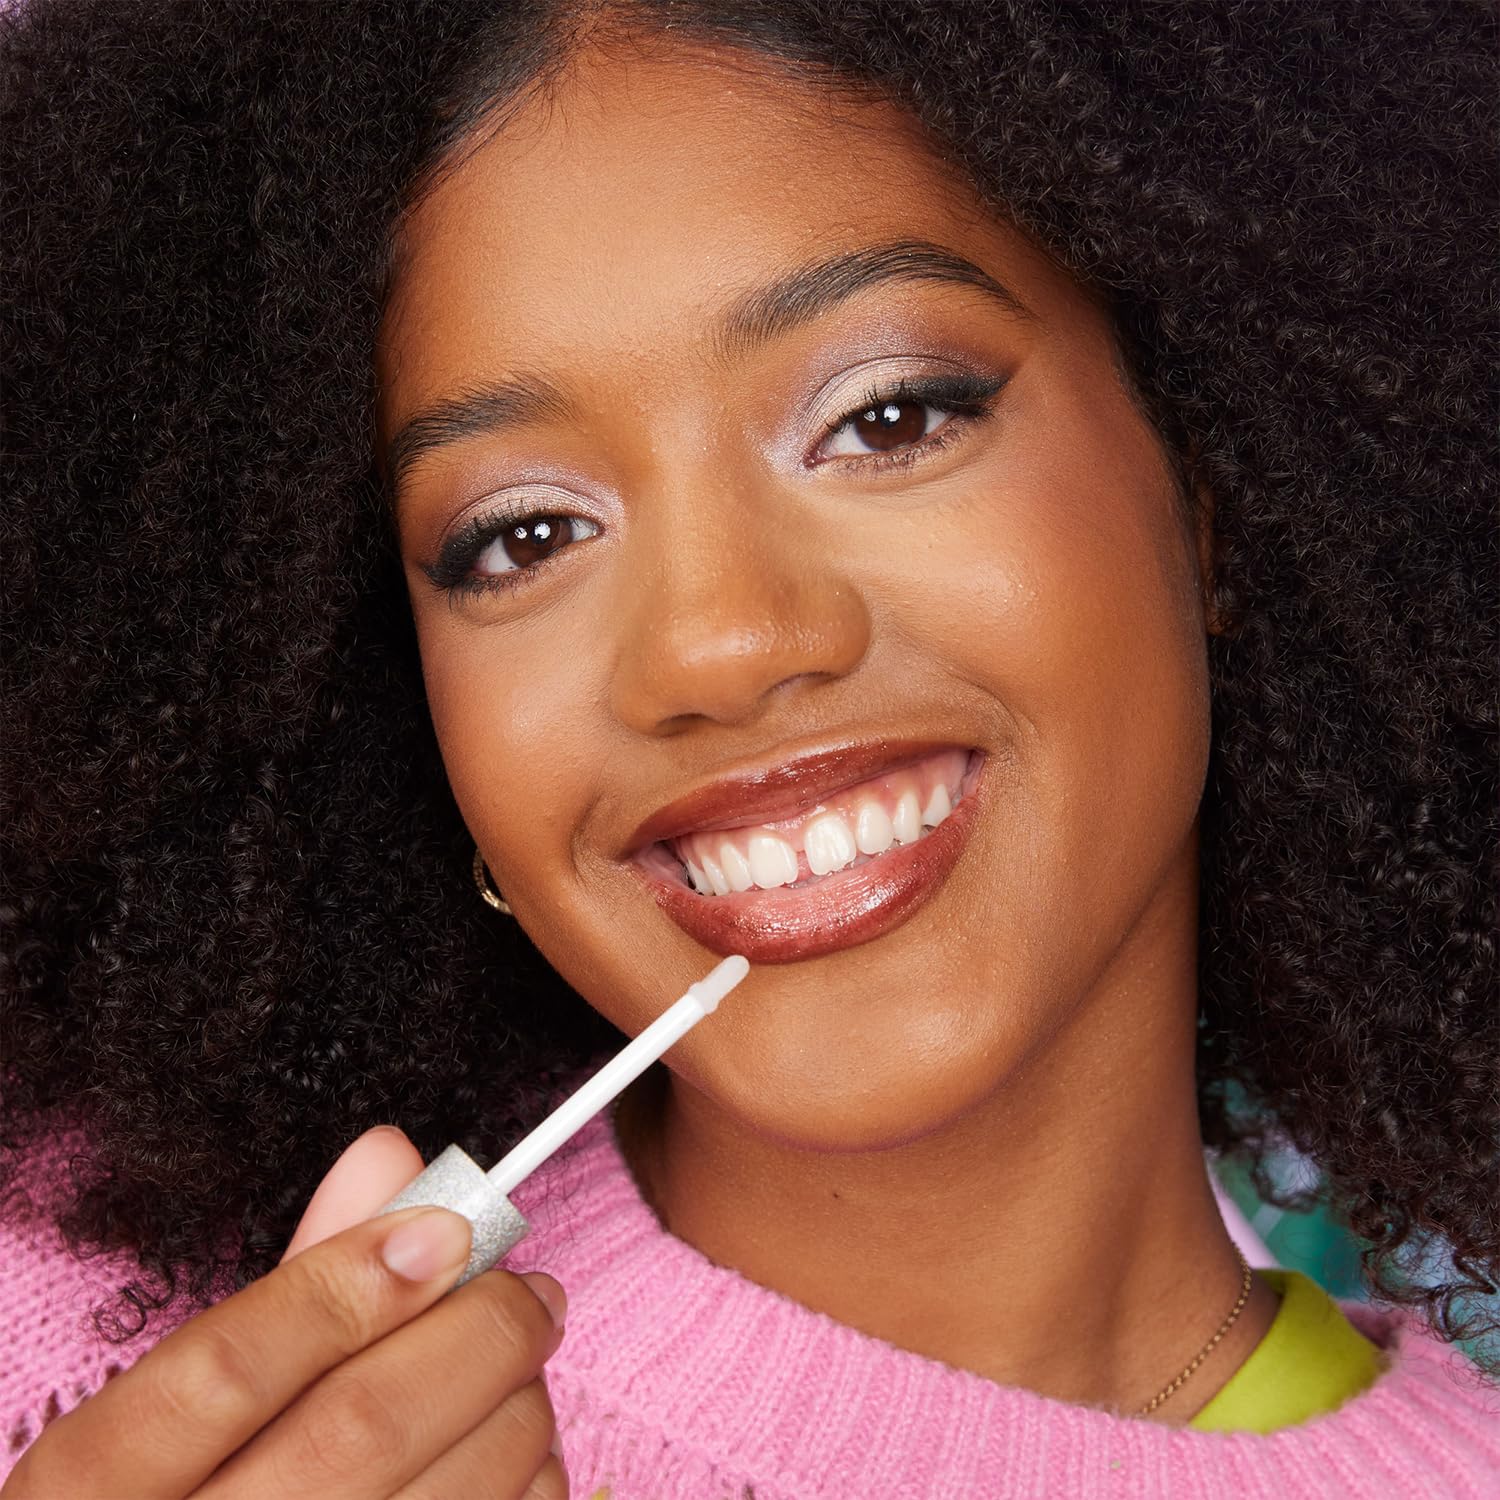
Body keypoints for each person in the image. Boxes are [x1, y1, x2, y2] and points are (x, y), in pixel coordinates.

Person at [2, 1, 1496, 1495]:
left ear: (1209, 486)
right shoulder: (72, 1359)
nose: (715, 645)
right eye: (524, 535)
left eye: (887, 417)